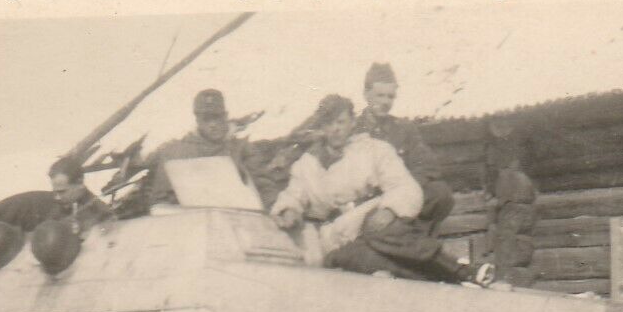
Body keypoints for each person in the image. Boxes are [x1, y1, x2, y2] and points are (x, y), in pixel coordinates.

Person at [271, 94, 493, 285]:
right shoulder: (307, 164)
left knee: (388, 234)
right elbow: (293, 194)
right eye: (329, 124)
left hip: (371, 221)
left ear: (351, 123)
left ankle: (463, 272)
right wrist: (288, 209)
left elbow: (403, 185)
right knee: (369, 261)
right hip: (336, 239)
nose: (335, 130)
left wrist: (389, 209)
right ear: (321, 128)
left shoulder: (374, 150)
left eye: (341, 122)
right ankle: (446, 282)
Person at [355, 62, 455, 235]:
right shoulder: (353, 130)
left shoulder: (404, 129)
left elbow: (429, 167)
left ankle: (416, 239)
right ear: (366, 94)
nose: (386, 102)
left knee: (440, 193)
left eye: (390, 97)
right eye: (380, 95)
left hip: (401, 196)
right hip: (367, 201)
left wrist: (401, 193)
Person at [141, 89, 278, 209]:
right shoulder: (175, 153)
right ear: (197, 120)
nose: (213, 125)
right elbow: (161, 201)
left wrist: (274, 210)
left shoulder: (242, 150)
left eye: (217, 118)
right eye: (206, 119)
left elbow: (265, 189)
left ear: (225, 116)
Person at [46, 157, 116, 236]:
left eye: (62, 192)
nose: (57, 197)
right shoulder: (60, 205)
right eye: (55, 192)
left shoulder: (101, 214)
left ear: (80, 184)